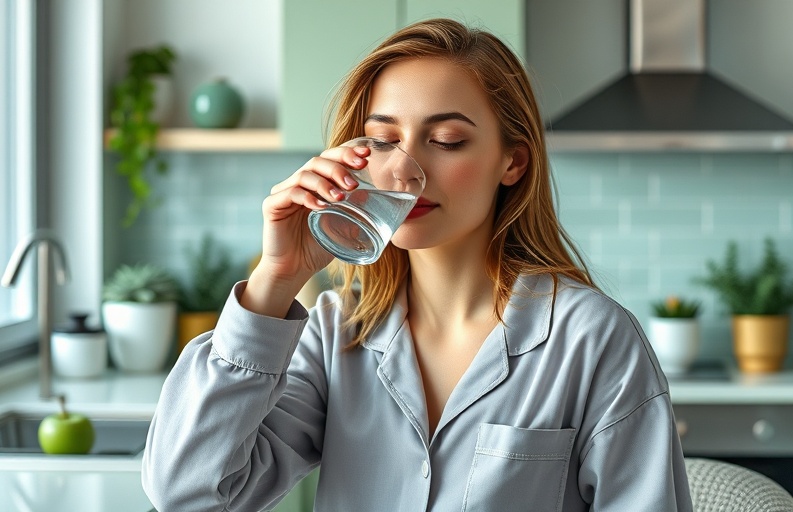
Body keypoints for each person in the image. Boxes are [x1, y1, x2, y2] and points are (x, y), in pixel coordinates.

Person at [142, 18, 692, 511]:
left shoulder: (592, 339)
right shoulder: (337, 335)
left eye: (447, 141)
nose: (405, 172)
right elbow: (188, 493)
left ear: (512, 161)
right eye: (384, 141)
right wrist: (274, 280)